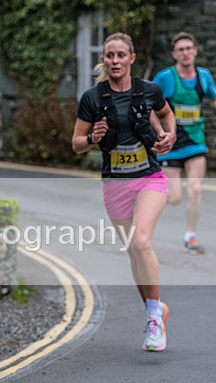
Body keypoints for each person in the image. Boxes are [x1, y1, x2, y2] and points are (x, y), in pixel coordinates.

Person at [71, 32, 177, 352]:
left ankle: (153, 319)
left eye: (120, 55)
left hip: (149, 178)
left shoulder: (150, 91)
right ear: (104, 60)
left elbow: (167, 115)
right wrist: (92, 138)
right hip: (115, 183)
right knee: (134, 251)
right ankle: (155, 309)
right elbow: (76, 144)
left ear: (132, 58)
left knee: (142, 241)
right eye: (109, 56)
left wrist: (169, 135)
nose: (114, 61)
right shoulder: (92, 98)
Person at [153, 32, 216, 254]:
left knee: (196, 188)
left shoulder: (203, 76)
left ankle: (190, 236)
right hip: (170, 142)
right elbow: (149, 104)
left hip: (195, 140)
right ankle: (145, 198)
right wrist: (159, 131)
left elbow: (215, 98)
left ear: (195, 51)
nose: (185, 52)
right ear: (174, 54)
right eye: (180, 49)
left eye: (189, 48)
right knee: (175, 197)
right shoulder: (165, 78)